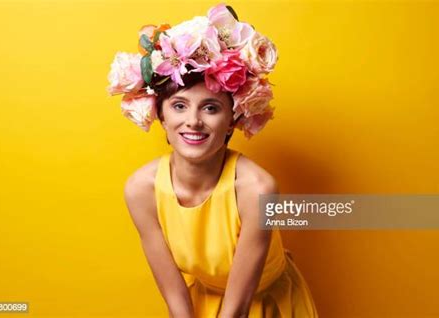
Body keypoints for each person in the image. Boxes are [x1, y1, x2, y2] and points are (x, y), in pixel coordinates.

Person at [108, 4, 318, 317]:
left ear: (232, 120)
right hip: (203, 301)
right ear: (160, 116)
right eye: (179, 106)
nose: (192, 121)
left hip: (268, 305)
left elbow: (238, 309)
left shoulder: (257, 188)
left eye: (210, 108)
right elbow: (175, 300)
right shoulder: (141, 189)